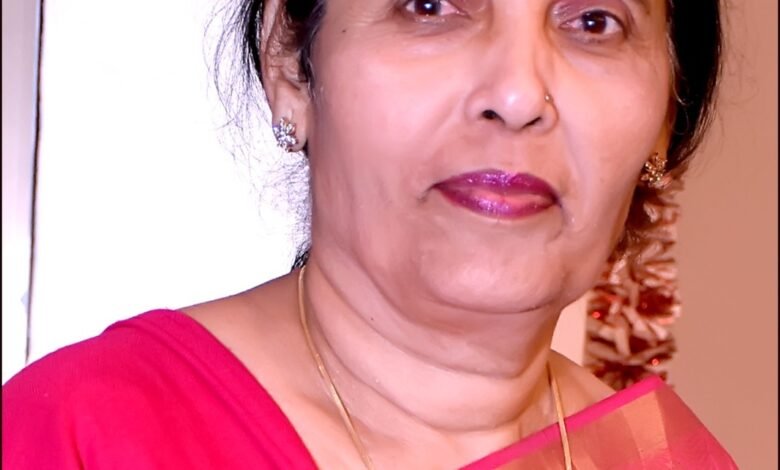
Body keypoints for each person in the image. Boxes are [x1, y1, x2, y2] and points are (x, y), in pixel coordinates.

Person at [3, 0, 737, 468]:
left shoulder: (670, 461)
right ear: (291, 64)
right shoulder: (80, 435)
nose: (517, 94)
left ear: (664, 118)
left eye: (594, 21)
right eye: (430, 5)